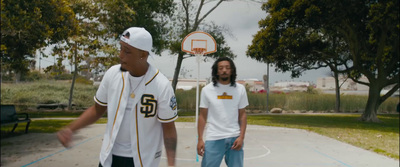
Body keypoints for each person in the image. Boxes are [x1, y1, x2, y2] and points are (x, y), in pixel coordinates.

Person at [57, 27, 178, 167]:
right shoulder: (113, 74)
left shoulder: (161, 85)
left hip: (143, 161)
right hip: (109, 158)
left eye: (127, 51)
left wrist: (171, 164)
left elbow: (169, 129)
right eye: (121, 48)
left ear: (143, 55)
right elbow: (97, 109)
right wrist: (71, 129)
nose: (121, 55)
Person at [197, 57, 249, 167]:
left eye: (227, 68)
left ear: (232, 70)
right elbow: (202, 116)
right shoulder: (207, 90)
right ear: (216, 71)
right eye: (220, 68)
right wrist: (200, 139)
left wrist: (241, 137)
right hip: (214, 137)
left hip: (235, 138)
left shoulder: (240, 89)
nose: (224, 70)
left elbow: (242, 115)